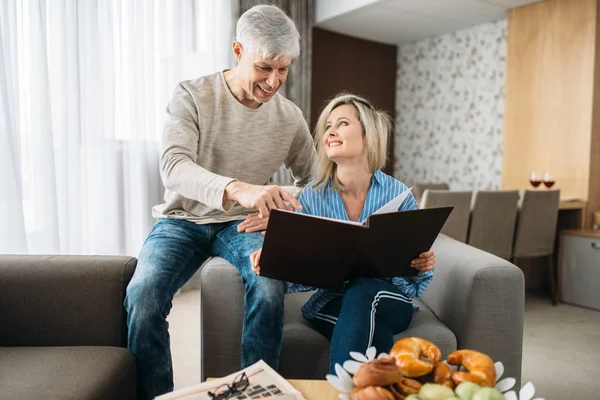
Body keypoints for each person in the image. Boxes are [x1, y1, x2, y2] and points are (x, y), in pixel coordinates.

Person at [124, 5, 316, 399]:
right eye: (265, 67)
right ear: (238, 50)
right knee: (142, 296)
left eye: (284, 70)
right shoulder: (192, 95)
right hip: (183, 219)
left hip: (244, 223)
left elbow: (314, 182)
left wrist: (283, 207)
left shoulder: (290, 117)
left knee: (268, 287)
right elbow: (174, 166)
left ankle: (258, 393)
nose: (274, 81)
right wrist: (239, 188)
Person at [250, 93, 436, 373]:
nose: (331, 131)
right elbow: (297, 273)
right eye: (327, 126)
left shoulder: (398, 194)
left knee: (363, 289)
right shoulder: (312, 196)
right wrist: (274, 255)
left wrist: (421, 263)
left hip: (389, 300)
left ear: (368, 134)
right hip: (329, 303)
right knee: (378, 336)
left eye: (343, 123)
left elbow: (414, 284)